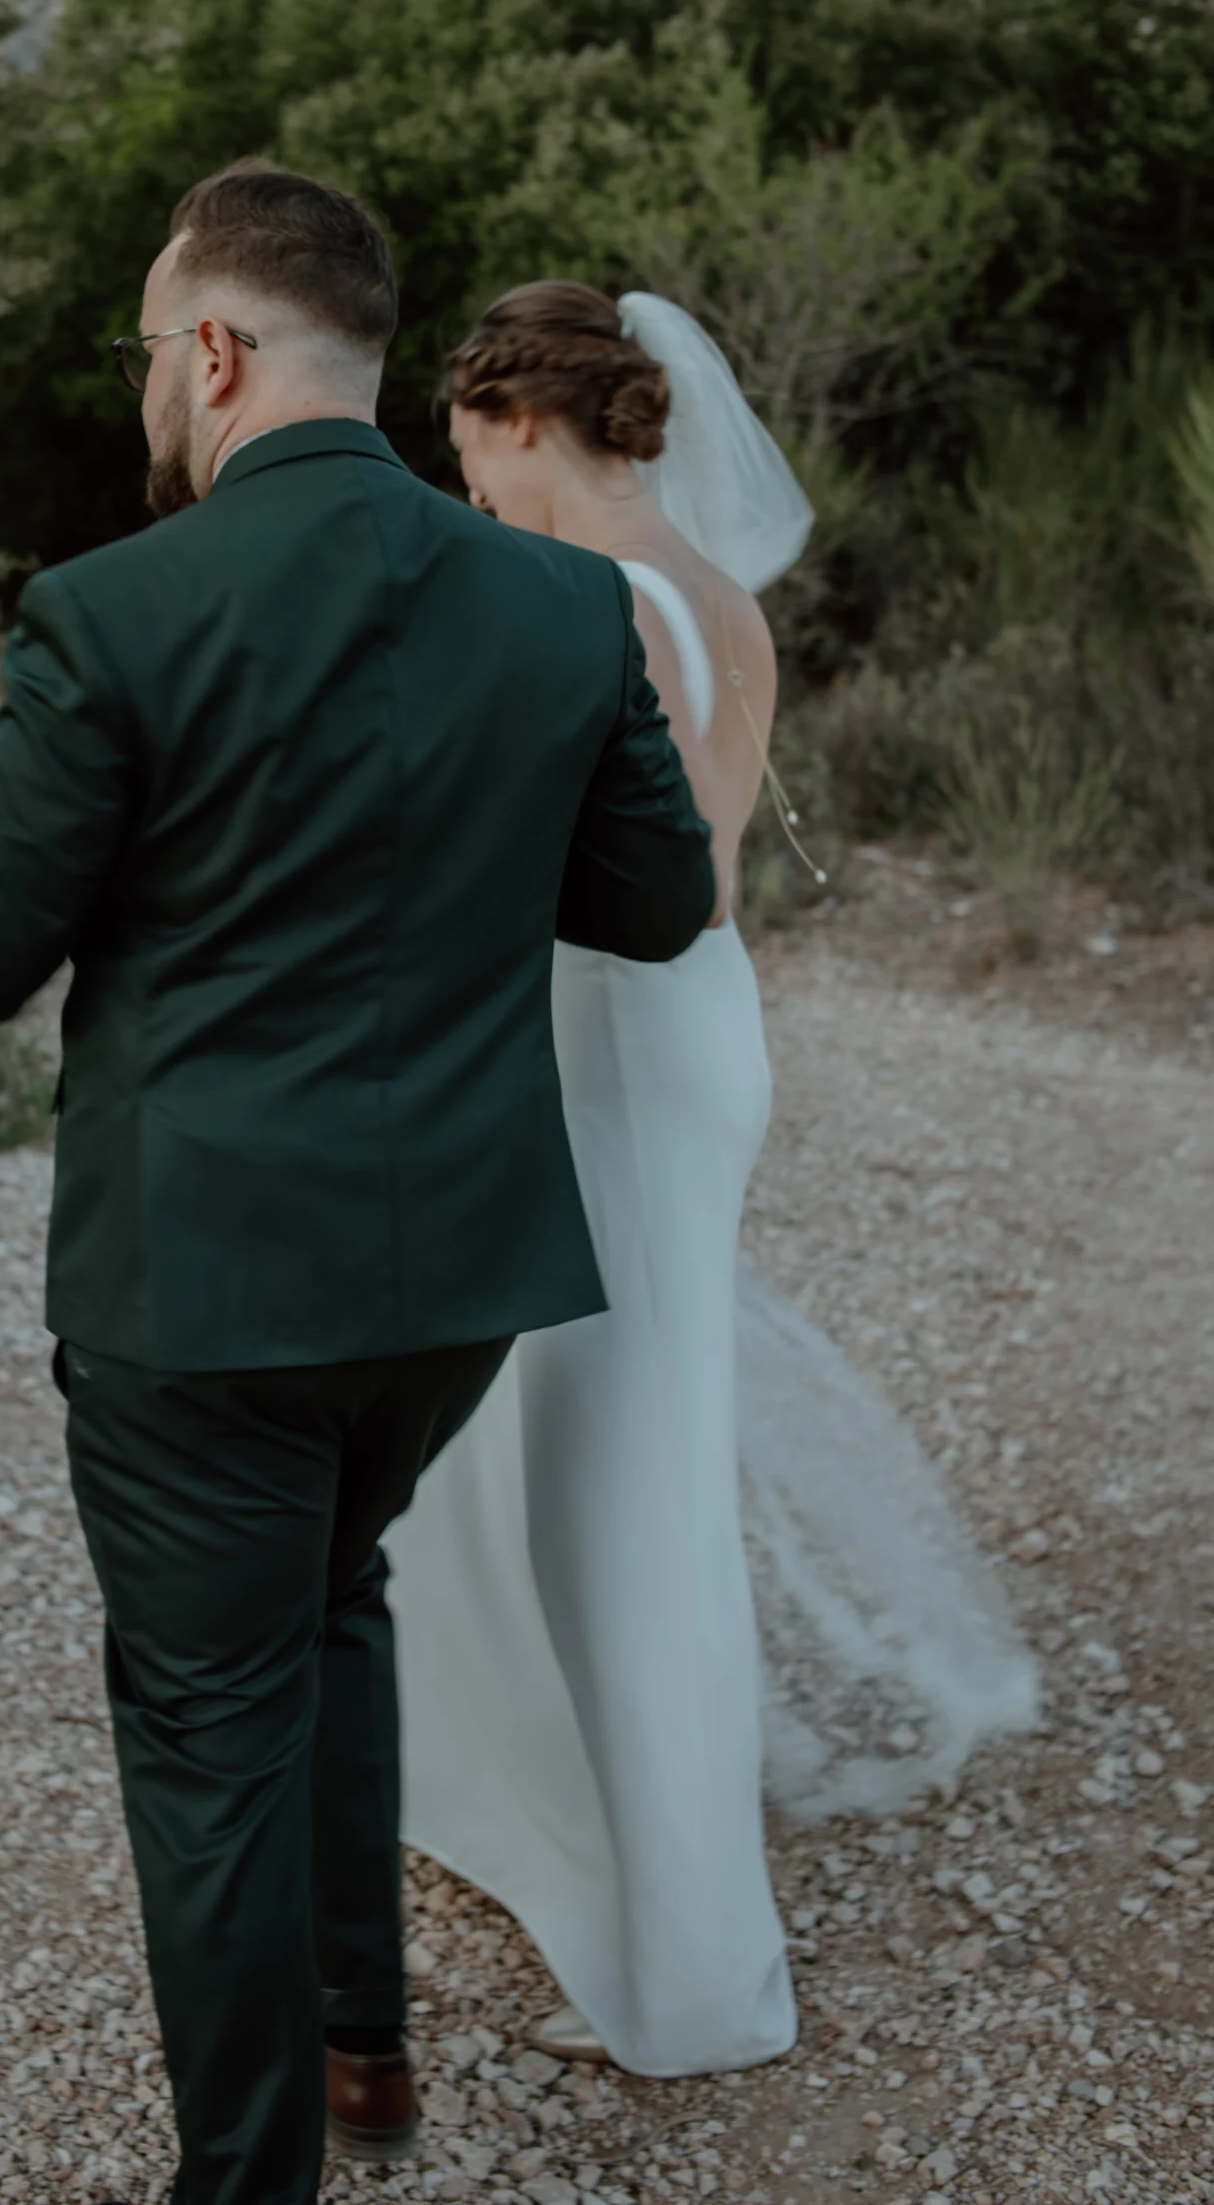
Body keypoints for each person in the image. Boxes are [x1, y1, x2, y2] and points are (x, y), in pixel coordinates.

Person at [0, 171, 718, 2205]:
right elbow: (655, 903)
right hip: (454, 1286)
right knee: (332, 1602)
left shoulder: (110, 609)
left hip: (204, 1301)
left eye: (152, 347)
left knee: (210, 1730)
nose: (151, 382)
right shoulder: (555, 602)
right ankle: (365, 2049)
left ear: (213, 351)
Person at [385, 282, 1037, 2077]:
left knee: (622, 1501)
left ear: (519, 418)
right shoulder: (712, 587)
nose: (469, 489)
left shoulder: (585, 595)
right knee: (589, 1451)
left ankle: (688, 1981)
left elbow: (567, 866)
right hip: (686, 1036)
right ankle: (539, 1814)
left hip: (608, 1045)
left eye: (466, 451)